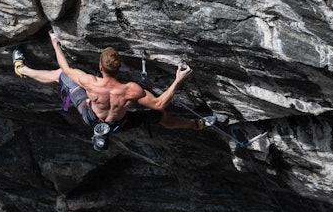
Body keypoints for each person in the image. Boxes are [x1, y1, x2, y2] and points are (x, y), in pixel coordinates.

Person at [12, 31, 215, 148]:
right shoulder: (131, 90)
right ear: (120, 68)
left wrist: (56, 43)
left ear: (100, 68)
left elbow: (65, 69)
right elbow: (160, 104)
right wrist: (177, 80)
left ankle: (21, 69)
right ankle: (196, 125)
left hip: (91, 116)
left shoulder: (90, 82)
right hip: (121, 123)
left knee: (59, 75)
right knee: (159, 116)